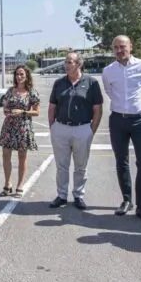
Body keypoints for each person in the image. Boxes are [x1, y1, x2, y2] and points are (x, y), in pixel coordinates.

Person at [101, 35, 141, 226]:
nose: (119, 50)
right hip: (118, 120)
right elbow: (110, 92)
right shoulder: (108, 71)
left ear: (130, 46)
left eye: (123, 46)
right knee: (121, 161)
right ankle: (127, 200)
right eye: (116, 47)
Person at [48, 52, 104, 210]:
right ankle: (62, 195)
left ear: (79, 64)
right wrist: (53, 127)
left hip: (82, 128)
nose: (66, 65)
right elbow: (52, 107)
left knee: (81, 166)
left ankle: (78, 195)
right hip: (61, 128)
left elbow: (98, 109)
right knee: (61, 166)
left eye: (69, 62)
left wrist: (91, 130)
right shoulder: (59, 83)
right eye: (65, 62)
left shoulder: (91, 83)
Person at [0, 65, 40, 198]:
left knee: (22, 157)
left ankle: (20, 185)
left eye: (22, 74)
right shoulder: (10, 91)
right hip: (9, 126)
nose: (19, 77)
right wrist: (8, 111)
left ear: (27, 76)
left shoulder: (32, 92)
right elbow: (4, 108)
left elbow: (37, 112)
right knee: (6, 155)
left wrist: (23, 112)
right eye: (17, 74)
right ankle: (7, 183)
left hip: (23, 127)